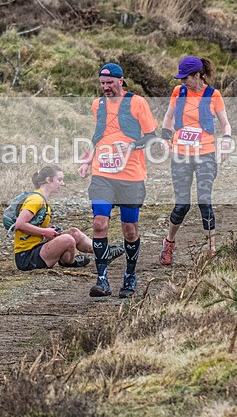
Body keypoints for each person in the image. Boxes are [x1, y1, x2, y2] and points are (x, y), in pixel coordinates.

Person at [77, 63, 159, 298]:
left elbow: (151, 137)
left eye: (110, 83)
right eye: (102, 83)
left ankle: (129, 276)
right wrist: (87, 160)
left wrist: (132, 145)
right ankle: (102, 279)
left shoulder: (137, 103)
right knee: (99, 224)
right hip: (102, 174)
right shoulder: (98, 104)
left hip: (130, 176)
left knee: (129, 230)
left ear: (121, 81)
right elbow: (99, 134)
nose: (106, 87)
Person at [158, 56, 232, 265]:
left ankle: (211, 251)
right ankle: (169, 242)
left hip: (205, 153)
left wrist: (226, 141)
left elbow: (225, 124)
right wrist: (165, 137)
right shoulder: (178, 92)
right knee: (182, 205)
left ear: (198, 75)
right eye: (181, 78)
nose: (183, 82)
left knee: (204, 201)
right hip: (180, 154)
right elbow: (169, 117)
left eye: (186, 78)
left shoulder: (213, 95)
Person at [13, 165, 124, 271]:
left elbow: (34, 224)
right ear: (48, 180)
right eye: (59, 180)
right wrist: (45, 232)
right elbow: (20, 224)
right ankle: (70, 262)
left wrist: (49, 230)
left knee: (74, 232)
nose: (62, 183)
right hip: (27, 257)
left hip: (39, 246)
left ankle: (104, 253)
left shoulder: (42, 199)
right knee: (68, 239)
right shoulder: (35, 199)